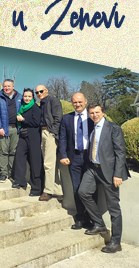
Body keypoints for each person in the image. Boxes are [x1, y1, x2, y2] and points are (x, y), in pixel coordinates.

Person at [78, 104, 130, 253]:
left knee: (113, 208)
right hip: (93, 169)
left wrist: (117, 174)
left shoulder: (113, 128)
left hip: (109, 172)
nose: (94, 115)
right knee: (83, 192)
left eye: (97, 112)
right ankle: (99, 224)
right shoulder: (93, 127)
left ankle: (116, 242)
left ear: (103, 112)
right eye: (91, 113)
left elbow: (120, 152)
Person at [59, 92, 95, 229]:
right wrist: (63, 155)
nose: (77, 104)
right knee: (76, 188)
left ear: (85, 101)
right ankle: (80, 218)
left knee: (91, 189)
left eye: (80, 102)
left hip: (89, 158)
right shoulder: (66, 118)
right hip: (73, 158)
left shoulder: (92, 117)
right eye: (75, 102)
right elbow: (63, 138)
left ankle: (92, 219)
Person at [12, 89, 43, 196]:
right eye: (25, 96)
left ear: (32, 97)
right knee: (19, 156)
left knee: (35, 161)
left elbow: (36, 122)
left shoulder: (35, 107)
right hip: (23, 135)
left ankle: (37, 188)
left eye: (29, 96)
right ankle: (20, 181)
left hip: (33, 136)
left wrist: (23, 120)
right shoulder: (22, 107)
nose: (27, 98)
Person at [36, 84, 64, 201]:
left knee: (48, 163)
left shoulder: (53, 100)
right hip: (43, 133)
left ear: (46, 90)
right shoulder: (41, 104)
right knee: (52, 163)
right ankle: (57, 190)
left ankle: (48, 191)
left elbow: (58, 118)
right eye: (37, 92)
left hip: (49, 133)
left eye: (41, 91)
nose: (39, 94)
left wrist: (52, 133)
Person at [0, 79, 22, 183]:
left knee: (14, 152)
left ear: (13, 86)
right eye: (5, 86)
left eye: (9, 86)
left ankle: (12, 174)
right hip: (3, 129)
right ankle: (4, 174)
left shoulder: (20, 97)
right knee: (3, 152)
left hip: (16, 129)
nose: (6, 88)